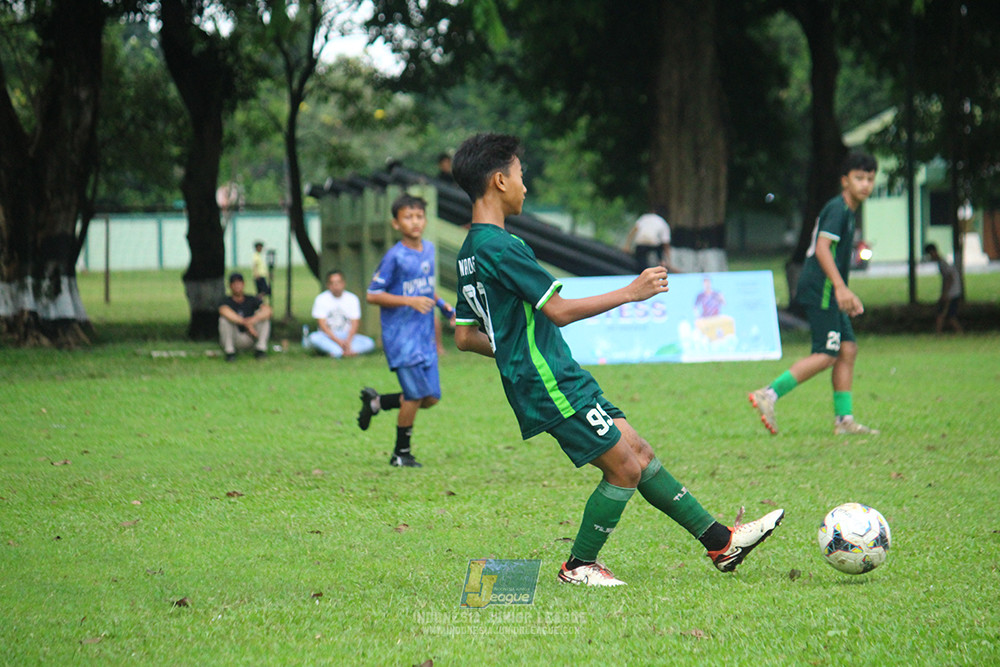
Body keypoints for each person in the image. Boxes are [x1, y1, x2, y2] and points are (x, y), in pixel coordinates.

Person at [450, 133, 783, 586]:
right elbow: (559, 311)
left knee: (639, 452)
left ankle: (721, 542)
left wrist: (513, 350)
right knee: (624, 469)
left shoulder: (469, 252)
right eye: (522, 176)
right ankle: (578, 566)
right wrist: (632, 292)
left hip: (556, 374)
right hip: (549, 381)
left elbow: (465, 337)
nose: (526, 187)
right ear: (499, 180)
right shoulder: (502, 247)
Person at [749, 151, 880, 436]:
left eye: (870, 179)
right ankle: (768, 394)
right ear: (845, 181)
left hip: (830, 289)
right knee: (827, 353)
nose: (865, 185)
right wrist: (841, 288)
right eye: (859, 178)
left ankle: (844, 420)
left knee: (847, 348)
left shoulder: (848, 212)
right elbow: (822, 248)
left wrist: (843, 290)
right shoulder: (837, 209)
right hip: (822, 289)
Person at [358, 194, 455, 468]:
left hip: (424, 337)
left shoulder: (430, 250)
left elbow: (424, 289)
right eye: (408, 217)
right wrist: (408, 301)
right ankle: (400, 453)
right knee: (414, 396)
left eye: (419, 216)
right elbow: (372, 294)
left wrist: (447, 309)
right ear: (396, 223)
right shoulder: (394, 257)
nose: (415, 222)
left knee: (430, 397)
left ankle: (377, 402)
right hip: (401, 338)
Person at [304, 270, 376, 358]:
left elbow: (355, 322)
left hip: (347, 335)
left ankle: (340, 352)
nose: (336, 286)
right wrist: (338, 341)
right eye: (333, 283)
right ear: (328, 285)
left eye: (338, 282)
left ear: (343, 283)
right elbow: (322, 325)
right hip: (328, 336)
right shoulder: (321, 299)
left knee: (369, 343)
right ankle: (341, 351)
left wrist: (348, 341)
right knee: (313, 338)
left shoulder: (352, 299)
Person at [218, 272, 272, 361]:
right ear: (230, 286)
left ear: (243, 284)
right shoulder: (226, 301)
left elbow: (268, 310)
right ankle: (230, 352)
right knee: (224, 321)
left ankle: (260, 349)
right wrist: (246, 323)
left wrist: (253, 320)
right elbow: (224, 311)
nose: (237, 286)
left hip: (251, 335)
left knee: (264, 318)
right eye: (234, 284)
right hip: (235, 336)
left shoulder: (251, 299)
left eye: (239, 283)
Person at [925, 243, 963, 334]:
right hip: (954, 291)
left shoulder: (943, 264)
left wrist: (945, 293)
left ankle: (940, 333)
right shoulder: (942, 263)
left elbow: (949, 278)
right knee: (948, 315)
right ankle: (958, 332)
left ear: (933, 252)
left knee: (942, 314)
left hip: (952, 292)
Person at [623, 206, 672, 274]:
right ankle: (662, 264)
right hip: (654, 244)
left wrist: (627, 246)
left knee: (641, 264)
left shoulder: (644, 218)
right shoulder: (662, 222)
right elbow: (665, 243)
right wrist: (668, 260)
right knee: (659, 250)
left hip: (641, 244)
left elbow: (632, 232)